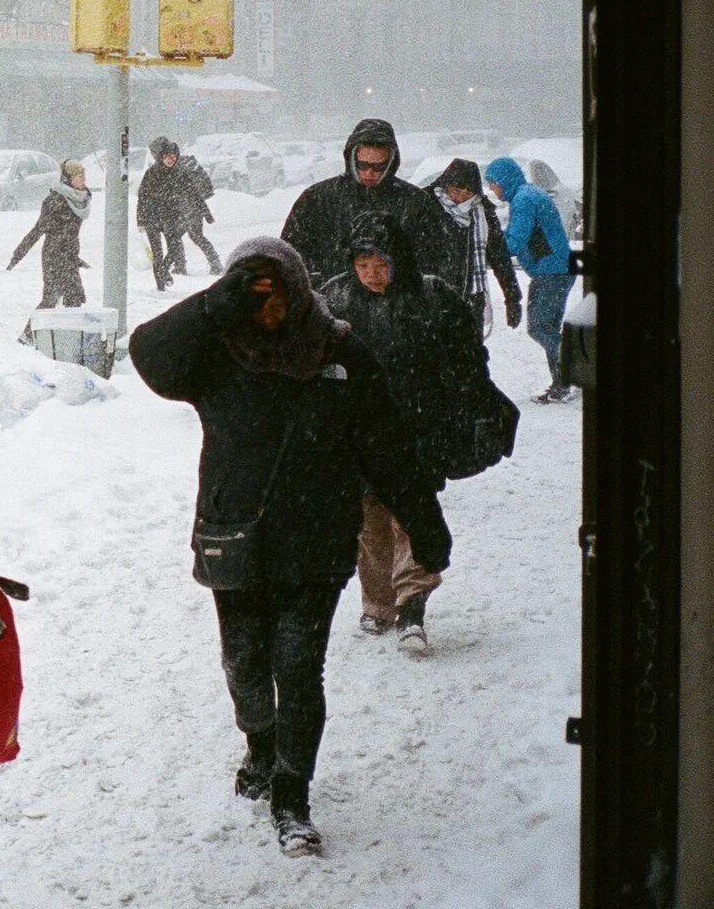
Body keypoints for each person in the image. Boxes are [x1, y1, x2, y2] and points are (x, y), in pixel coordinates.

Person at [130, 238, 451, 857]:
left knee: (298, 668)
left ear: (300, 290)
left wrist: (426, 524)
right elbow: (148, 355)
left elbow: (388, 448)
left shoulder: (338, 351)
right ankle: (260, 744)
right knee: (244, 665)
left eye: (277, 292)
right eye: (253, 296)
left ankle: (291, 796)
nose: (269, 308)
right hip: (236, 536)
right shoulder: (217, 353)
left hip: (317, 539)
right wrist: (209, 307)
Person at [319, 215, 497, 652]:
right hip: (357, 433)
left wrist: (468, 413)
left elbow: (467, 363)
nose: (372, 274)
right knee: (369, 520)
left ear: (399, 261)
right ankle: (378, 603)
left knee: (411, 517)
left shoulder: (432, 297)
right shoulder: (334, 299)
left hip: (417, 429)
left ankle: (412, 604)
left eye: (381, 264)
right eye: (363, 265)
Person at [279, 119, 443, 285]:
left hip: (398, 303)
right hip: (331, 303)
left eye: (378, 167)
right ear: (351, 159)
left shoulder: (414, 201)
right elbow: (290, 254)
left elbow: (434, 257)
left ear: (390, 163)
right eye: (362, 165)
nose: (369, 172)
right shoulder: (317, 198)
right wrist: (321, 287)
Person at [486, 155, 576, 402]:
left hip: (552, 271)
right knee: (548, 328)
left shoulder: (524, 200)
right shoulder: (527, 194)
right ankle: (562, 383)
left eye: (493, 183)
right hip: (556, 269)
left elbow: (514, 242)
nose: (492, 190)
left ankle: (569, 371)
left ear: (504, 180)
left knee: (539, 327)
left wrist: (486, 243)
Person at [421, 158, 523, 337]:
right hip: (432, 298)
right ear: (446, 186)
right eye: (456, 191)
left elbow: (500, 258)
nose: (461, 198)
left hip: (472, 298)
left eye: (468, 193)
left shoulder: (484, 213)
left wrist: (512, 298)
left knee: (471, 357)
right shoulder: (425, 207)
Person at [137, 137, 221, 290]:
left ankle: (169, 269)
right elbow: (143, 197)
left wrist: (206, 213)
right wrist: (141, 220)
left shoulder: (180, 173)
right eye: (167, 156)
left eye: (173, 156)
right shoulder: (152, 173)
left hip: (172, 217)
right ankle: (161, 285)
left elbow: (194, 193)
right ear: (161, 156)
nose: (170, 159)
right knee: (158, 252)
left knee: (177, 245)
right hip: (153, 218)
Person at [8, 159, 90, 308]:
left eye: (84, 176)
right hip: (54, 256)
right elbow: (37, 230)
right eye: (80, 176)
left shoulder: (80, 199)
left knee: (75, 298)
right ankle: (31, 331)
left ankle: (68, 330)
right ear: (68, 179)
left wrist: (74, 257)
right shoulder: (55, 201)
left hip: (70, 255)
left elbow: (70, 234)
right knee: (50, 301)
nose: (84, 180)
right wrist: (18, 255)